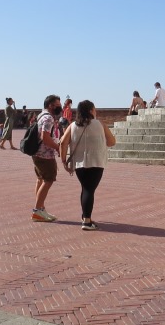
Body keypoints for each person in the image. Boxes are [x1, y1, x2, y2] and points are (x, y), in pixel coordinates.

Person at [59, 100, 117, 231]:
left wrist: (64, 161)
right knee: (89, 190)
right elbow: (112, 142)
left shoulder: (73, 125)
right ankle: (86, 221)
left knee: (85, 188)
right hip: (96, 162)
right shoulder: (99, 124)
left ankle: (85, 216)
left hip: (79, 163)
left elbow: (63, 142)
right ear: (91, 111)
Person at [30, 94, 64, 222]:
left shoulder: (41, 115)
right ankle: (37, 211)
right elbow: (45, 137)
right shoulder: (48, 118)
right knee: (48, 181)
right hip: (45, 155)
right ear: (51, 105)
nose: (60, 107)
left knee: (41, 180)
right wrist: (57, 147)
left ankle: (41, 208)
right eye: (58, 105)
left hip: (38, 153)